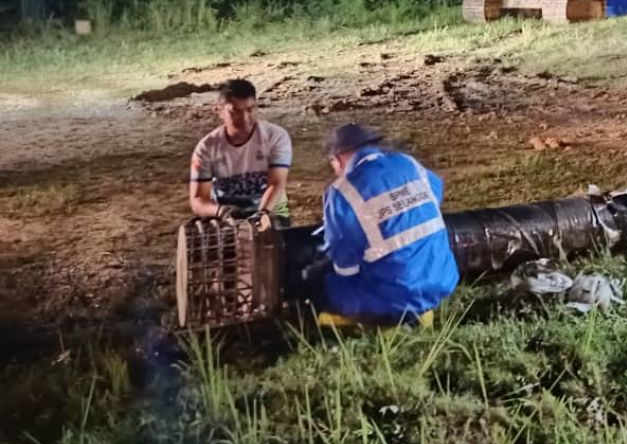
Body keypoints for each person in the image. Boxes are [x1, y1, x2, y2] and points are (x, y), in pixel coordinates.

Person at [315, 123, 460, 328]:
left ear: (336, 160)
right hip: (442, 277)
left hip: (396, 295)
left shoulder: (342, 191)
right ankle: (422, 314)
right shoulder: (410, 163)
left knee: (329, 286)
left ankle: (379, 324)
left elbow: (345, 264)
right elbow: (435, 193)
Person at [188, 79, 292, 225]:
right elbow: (198, 200)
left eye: (250, 110)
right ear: (219, 111)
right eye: (235, 111)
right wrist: (221, 211)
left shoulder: (275, 136)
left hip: (270, 210)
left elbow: (276, 182)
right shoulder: (207, 148)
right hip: (227, 216)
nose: (244, 118)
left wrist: (262, 214)